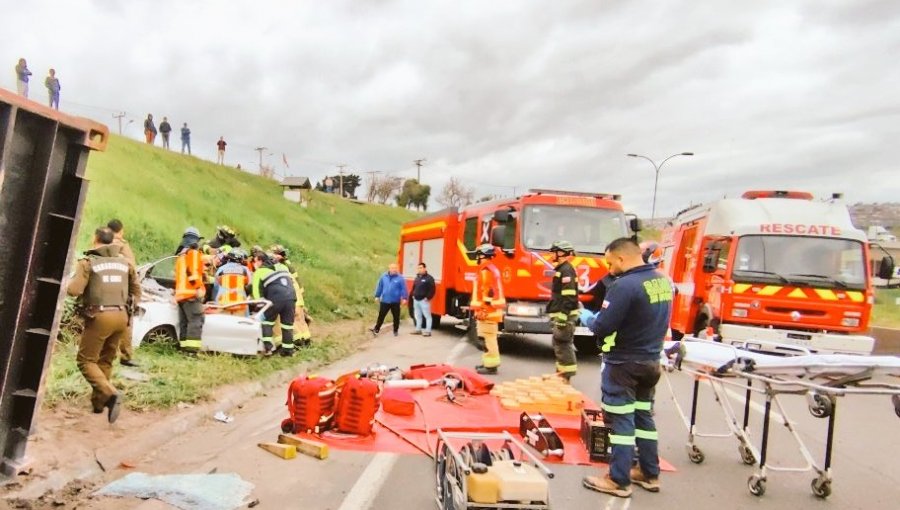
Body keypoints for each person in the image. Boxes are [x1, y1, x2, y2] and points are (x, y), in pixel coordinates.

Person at [579, 237, 673, 498]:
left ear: (622, 258)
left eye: (610, 263)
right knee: (644, 418)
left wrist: (586, 316)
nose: (609, 269)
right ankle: (649, 473)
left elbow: (602, 326)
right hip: (651, 362)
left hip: (624, 365)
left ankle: (619, 480)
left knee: (621, 421)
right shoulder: (662, 281)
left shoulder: (624, 286)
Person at [66, 227, 141, 424]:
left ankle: (110, 393)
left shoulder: (88, 263)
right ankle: (98, 405)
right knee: (106, 360)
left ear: (95, 239)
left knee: (86, 361)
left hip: (100, 317)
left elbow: (74, 291)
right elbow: (136, 290)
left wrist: (67, 282)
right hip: (122, 317)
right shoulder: (125, 263)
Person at [250, 252, 297, 356]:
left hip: (275, 299)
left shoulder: (260, 272)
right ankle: (288, 350)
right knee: (287, 325)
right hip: (291, 298)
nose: (254, 263)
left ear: (260, 261)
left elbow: (256, 293)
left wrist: (259, 306)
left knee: (267, 322)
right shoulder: (282, 268)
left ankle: (268, 349)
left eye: (255, 261)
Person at [107, 218, 139, 367]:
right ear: (121, 230)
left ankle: (105, 354)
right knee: (125, 323)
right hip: (122, 289)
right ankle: (125, 356)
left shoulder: (102, 242)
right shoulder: (122, 245)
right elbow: (132, 268)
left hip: (104, 287)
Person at [546, 240, 579, 381]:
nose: (552, 255)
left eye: (554, 252)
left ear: (561, 253)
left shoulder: (566, 270)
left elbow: (569, 295)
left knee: (563, 344)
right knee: (559, 344)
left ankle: (565, 376)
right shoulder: (562, 269)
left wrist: (563, 316)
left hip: (564, 315)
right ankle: (561, 373)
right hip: (561, 313)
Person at [470, 244, 505, 375]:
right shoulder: (491, 269)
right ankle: (488, 362)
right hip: (490, 311)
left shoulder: (486, 271)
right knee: (486, 338)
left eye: (479, 254)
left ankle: (491, 366)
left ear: (483, 255)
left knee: (488, 338)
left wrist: (482, 310)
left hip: (488, 312)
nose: (477, 257)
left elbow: (486, 294)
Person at [270, 244, 312, 346]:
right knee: (300, 320)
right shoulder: (288, 265)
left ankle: (299, 341)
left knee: (293, 320)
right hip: (296, 296)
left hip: (291, 296)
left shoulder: (283, 267)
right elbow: (298, 284)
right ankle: (306, 340)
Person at [174, 227, 206, 352]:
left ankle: (183, 348)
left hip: (181, 295)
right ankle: (191, 352)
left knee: (185, 323)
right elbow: (192, 272)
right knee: (195, 322)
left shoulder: (180, 256)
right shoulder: (192, 253)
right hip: (191, 294)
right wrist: (198, 287)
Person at [369, 263, 408, 337]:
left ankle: (395, 330)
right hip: (385, 300)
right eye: (392, 268)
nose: (394, 269)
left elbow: (403, 289)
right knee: (381, 316)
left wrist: (404, 298)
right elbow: (380, 286)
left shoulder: (400, 278)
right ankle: (376, 329)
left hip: (395, 301)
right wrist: (377, 296)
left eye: (396, 268)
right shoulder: (384, 276)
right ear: (389, 268)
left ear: (397, 269)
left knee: (396, 317)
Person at [214, 249, 252, 316]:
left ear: (229, 258)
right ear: (240, 259)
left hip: (223, 302)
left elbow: (216, 287)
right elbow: (249, 285)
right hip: (239, 303)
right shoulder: (245, 270)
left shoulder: (221, 269)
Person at [410, 262, 436, 336]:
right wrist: (413, 295)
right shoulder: (417, 277)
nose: (419, 269)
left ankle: (428, 331)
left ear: (425, 268)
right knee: (418, 316)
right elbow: (414, 287)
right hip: (416, 300)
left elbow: (432, 290)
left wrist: (427, 298)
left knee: (427, 316)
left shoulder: (429, 278)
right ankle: (418, 329)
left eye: (421, 268)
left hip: (424, 301)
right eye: (418, 268)